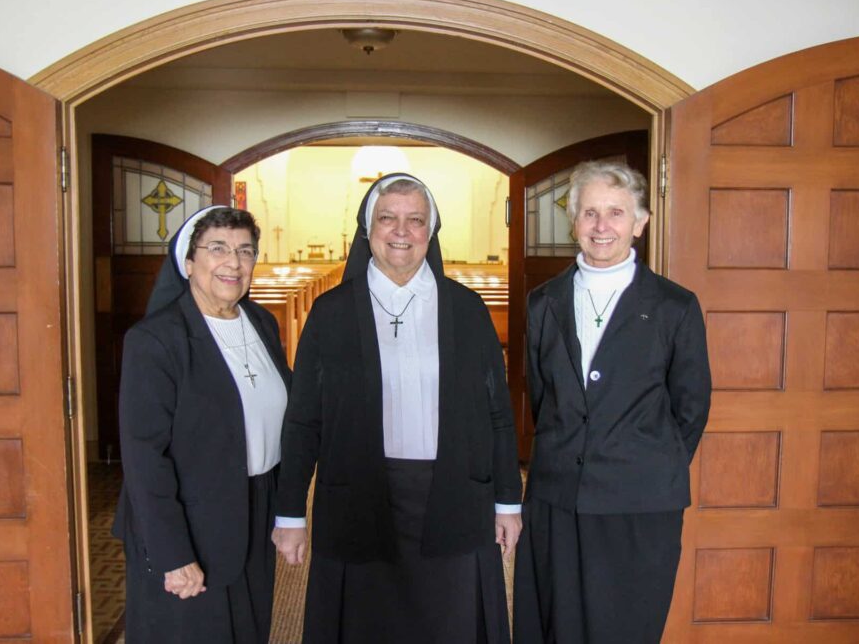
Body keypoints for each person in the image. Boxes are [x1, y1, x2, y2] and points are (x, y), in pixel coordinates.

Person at [272, 173, 523, 644]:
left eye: (416, 220)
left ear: (431, 232)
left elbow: (497, 413)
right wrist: (290, 513)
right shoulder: (331, 313)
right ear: (368, 230)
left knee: (448, 624)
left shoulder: (467, 310)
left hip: (452, 496)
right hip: (358, 498)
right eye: (388, 218)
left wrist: (508, 500)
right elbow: (304, 419)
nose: (402, 231)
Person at [513, 161, 711, 644]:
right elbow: (542, 397)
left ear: (640, 223)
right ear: (574, 222)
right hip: (558, 497)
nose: (602, 227)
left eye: (617, 213)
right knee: (555, 622)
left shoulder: (674, 306)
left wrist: (641, 459)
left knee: (625, 626)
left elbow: (691, 405)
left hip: (639, 501)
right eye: (590, 213)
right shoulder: (544, 302)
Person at [113, 206, 291, 643]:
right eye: (218, 248)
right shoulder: (155, 340)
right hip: (186, 519)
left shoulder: (263, 323)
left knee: (249, 628)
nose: (234, 262)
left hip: (254, 506)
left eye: (245, 250)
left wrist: (287, 512)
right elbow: (143, 457)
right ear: (188, 262)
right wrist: (172, 553)